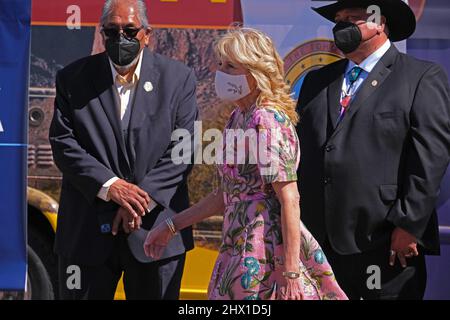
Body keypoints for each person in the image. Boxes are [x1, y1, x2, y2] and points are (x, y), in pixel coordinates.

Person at [143, 28, 348, 300]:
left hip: (265, 252)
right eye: (219, 65)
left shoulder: (266, 119)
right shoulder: (238, 117)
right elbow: (225, 195)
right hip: (236, 244)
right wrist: (171, 226)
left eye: (230, 66)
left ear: (255, 72)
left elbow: (289, 197)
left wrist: (290, 271)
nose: (221, 72)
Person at [296, 0, 450, 300]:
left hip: (384, 243)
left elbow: (431, 157)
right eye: (337, 19)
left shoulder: (420, 77)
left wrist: (409, 225)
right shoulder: (317, 80)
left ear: (380, 23)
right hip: (318, 245)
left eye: (351, 18)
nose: (341, 26)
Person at [49, 0, 198, 300]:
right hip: (86, 237)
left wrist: (139, 201)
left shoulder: (178, 80)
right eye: (112, 31)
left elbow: (183, 150)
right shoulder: (72, 79)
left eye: (130, 30)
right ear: (102, 34)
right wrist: (111, 187)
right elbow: (64, 145)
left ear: (147, 34)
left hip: (156, 235)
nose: (121, 39)